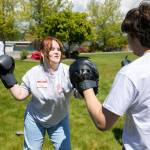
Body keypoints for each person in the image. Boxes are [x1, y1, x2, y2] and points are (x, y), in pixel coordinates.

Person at [69, 1, 150, 150]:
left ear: (135, 36)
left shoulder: (131, 74)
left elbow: (103, 122)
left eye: (127, 35)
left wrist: (85, 85)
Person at [0, 36, 74, 150]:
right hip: (35, 119)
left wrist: (87, 86)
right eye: (52, 49)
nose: (57, 52)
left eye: (58, 49)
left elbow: (79, 94)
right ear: (43, 53)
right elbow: (20, 95)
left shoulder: (68, 72)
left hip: (59, 119)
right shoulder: (33, 73)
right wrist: (7, 76)